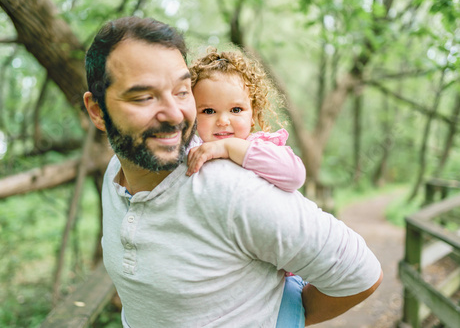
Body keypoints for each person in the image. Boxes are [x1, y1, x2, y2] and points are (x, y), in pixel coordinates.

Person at [83, 16, 383, 328]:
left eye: (181, 91)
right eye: (144, 96)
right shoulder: (116, 170)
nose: (173, 114)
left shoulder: (235, 189)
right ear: (97, 110)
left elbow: (360, 273)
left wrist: (281, 319)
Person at [186, 48, 306, 194]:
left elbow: (295, 176)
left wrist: (228, 147)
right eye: (209, 111)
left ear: (253, 114)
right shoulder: (193, 148)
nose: (223, 121)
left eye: (236, 110)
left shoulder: (260, 147)